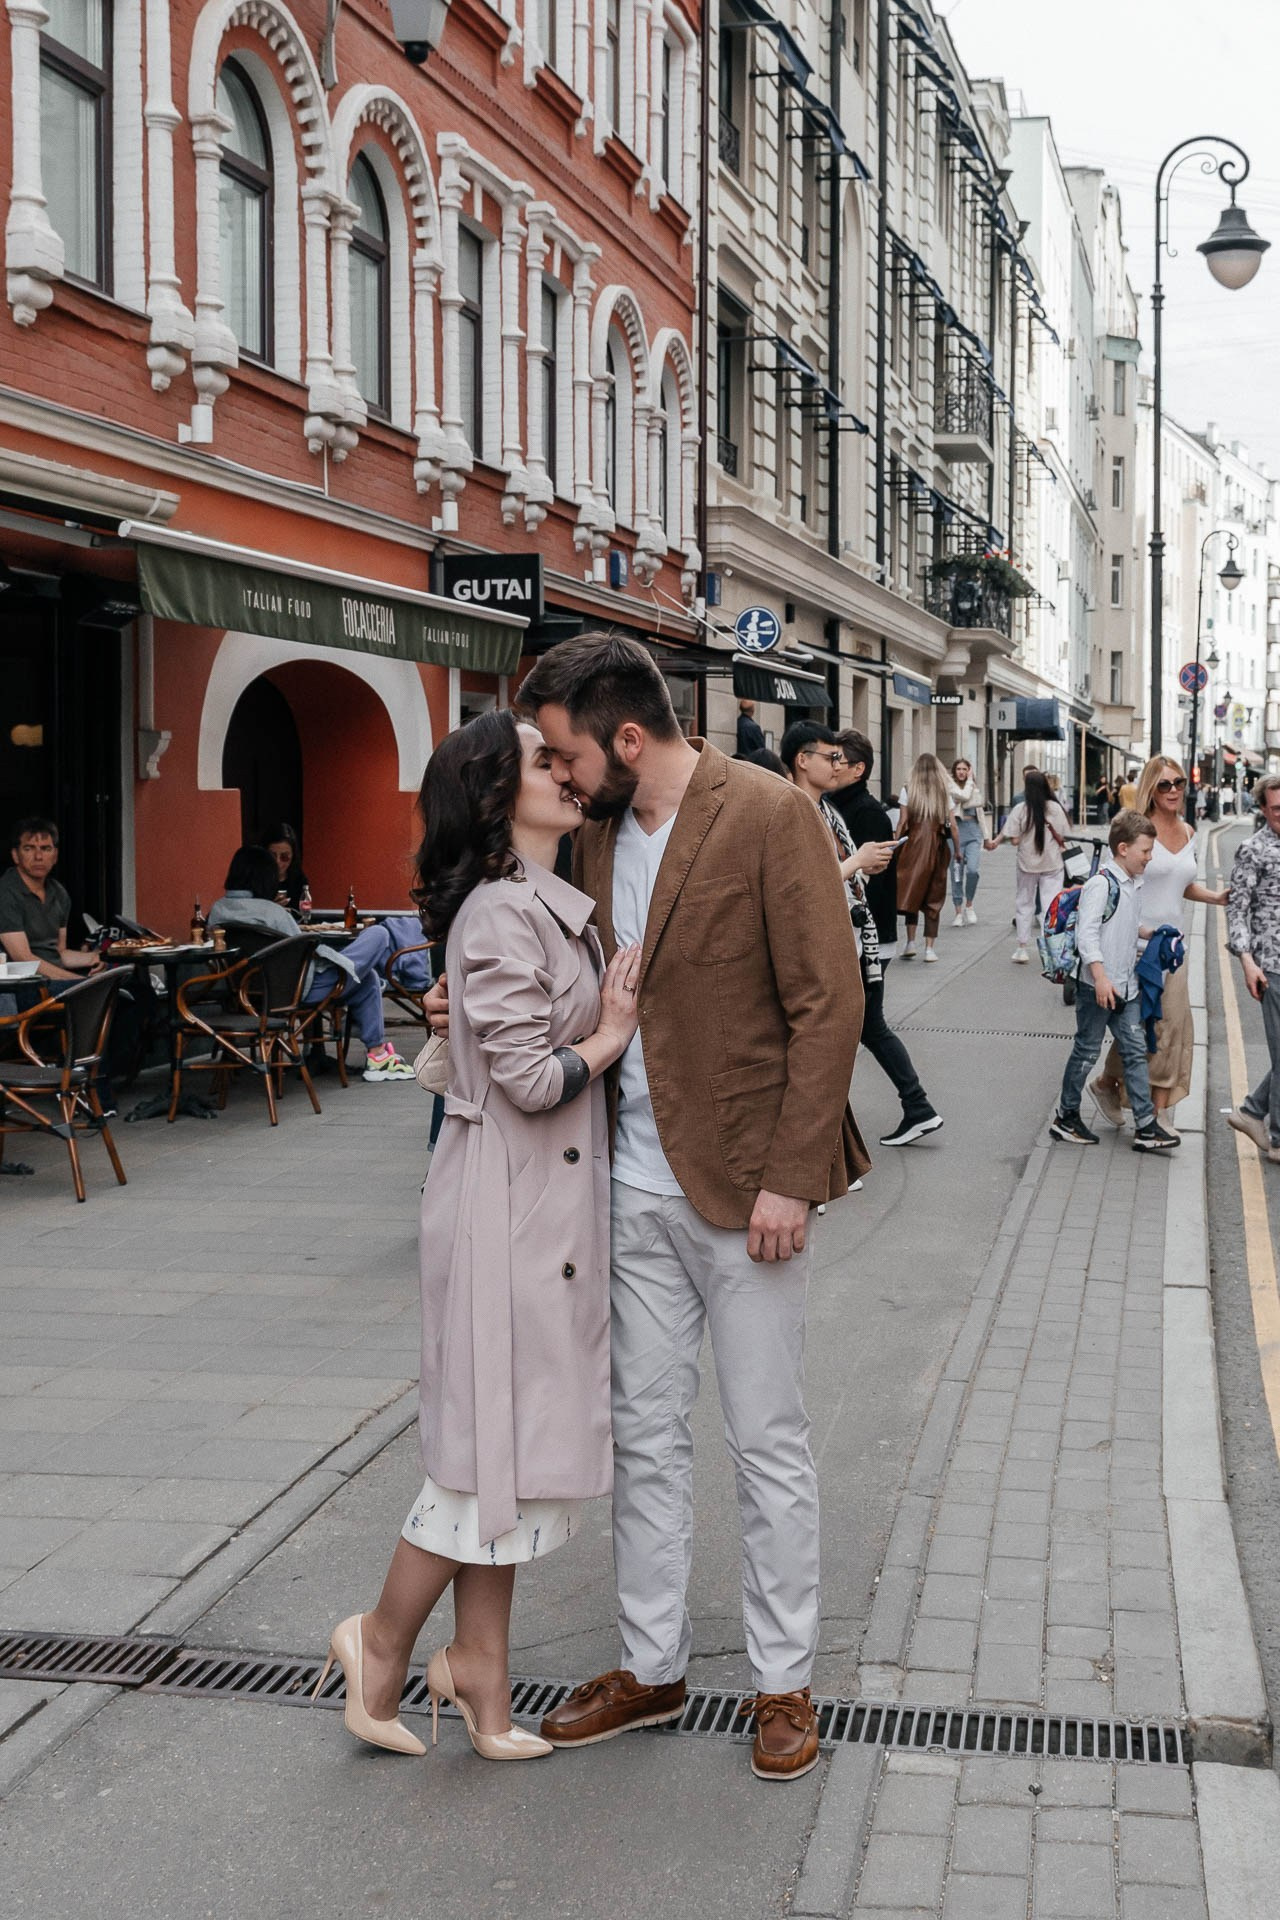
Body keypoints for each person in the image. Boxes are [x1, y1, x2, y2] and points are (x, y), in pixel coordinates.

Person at [492, 633, 865, 1784]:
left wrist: (790, 1176)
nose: (561, 776)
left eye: (567, 754)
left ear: (626, 739)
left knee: (765, 1440)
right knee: (644, 1437)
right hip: (628, 1182)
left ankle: (782, 1682)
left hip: (745, 1191)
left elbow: (827, 1001)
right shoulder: (596, 833)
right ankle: (650, 1667)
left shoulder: (766, 813)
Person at [315, 712, 642, 1763]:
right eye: (544, 762)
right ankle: (379, 1642)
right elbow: (533, 1080)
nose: (567, 773)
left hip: (532, 1205)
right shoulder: (506, 911)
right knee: (479, 1457)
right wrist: (612, 1034)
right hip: (507, 1211)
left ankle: (479, 1676)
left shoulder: (539, 900)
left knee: (511, 1453)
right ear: (499, 794)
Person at [1088, 756, 1228, 1128]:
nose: (1173, 790)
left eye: (1178, 783)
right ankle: (1107, 1084)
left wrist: (1216, 897)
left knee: (1172, 1026)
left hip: (1172, 948)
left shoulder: (1189, 831)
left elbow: (1181, 884)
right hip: (1134, 948)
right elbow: (1112, 881)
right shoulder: (1136, 828)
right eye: (1164, 784)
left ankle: (1158, 1111)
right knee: (1139, 1029)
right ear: (1151, 788)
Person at [824, 728, 944, 1147]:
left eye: (838, 760)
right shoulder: (836, 807)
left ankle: (913, 1107)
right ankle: (917, 1107)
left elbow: (868, 886)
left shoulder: (866, 813)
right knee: (867, 1027)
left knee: (862, 1027)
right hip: (863, 936)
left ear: (858, 769)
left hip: (868, 938)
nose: (832, 766)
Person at [207, 846, 418, 1082]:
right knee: (379, 934)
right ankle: (378, 1058)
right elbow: (302, 950)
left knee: (367, 978)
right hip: (296, 990)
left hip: (244, 993)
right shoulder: (273, 912)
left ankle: (377, 1054)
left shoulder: (218, 910)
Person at [1050, 811, 1179, 1153]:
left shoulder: (1133, 883)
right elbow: (1087, 934)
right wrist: (1100, 978)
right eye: (1145, 851)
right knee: (1087, 1051)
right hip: (1098, 987)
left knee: (1135, 1051)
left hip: (1126, 986)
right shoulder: (1101, 884)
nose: (1149, 857)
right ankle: (1066, 1117)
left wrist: (1149, 934)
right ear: (1123, 849)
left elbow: (1126, 925)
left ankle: (1146, 1127)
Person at [1225, 772, 1280, 1164]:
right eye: (1276, 809)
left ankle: (1251, 1111)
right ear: (1262, 809)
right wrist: (1246, 961)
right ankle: (1277, 1138)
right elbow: (1237, 909)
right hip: (1271, 966)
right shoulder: (1253, 849)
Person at [0, 817, 102, 985]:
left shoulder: (59, 893)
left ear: (55, 856)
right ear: (15, 855)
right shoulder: (6, 892)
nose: (38, 856)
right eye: (29, 848)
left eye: (46, 848)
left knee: (127, 983)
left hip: (54, 981)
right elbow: (23, 958)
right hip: (21, 987)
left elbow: (59, 953)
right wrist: (79, 983)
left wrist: (95, 958)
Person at [985, 767, 1071, 964]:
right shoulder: (1055, 808)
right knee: (1050, 905)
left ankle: (1022, 947)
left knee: (1024, 903)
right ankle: (1049, 948)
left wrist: (998, 841)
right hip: (1052, 863)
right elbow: (1064, 835)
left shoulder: (1021, 809)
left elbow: (1013, 837)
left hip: (1027, 863)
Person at [896, 754, 959, 962]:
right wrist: (958, 850)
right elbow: (953, 825)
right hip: (937, 847)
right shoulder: (943, 792)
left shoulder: (908, 790)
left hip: (912, 847)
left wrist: (894, 846)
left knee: (913, 890)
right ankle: (929, 949)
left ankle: (910, 942)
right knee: (934, 896)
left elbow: (902, 822)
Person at [947, 758, 985, 927]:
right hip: (956, 831)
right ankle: (958, 911)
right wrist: (970, 780)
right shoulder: (950, 787)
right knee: (956, 872)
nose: (961, 772)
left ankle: (969, 904)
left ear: (969, 770)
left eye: (965, 769)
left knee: (972, 870)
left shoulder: (974, 787)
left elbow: (980, 813)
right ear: (954, 771)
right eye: (959, 769)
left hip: (973, 831)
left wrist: (987, 838)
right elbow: (964, 796)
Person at [257, 821, 309, 913]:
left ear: (293, 856)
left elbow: (303, 914)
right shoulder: (255, 880)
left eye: (284, 857)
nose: (277, 861)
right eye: (272, 856)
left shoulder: (299, 880)